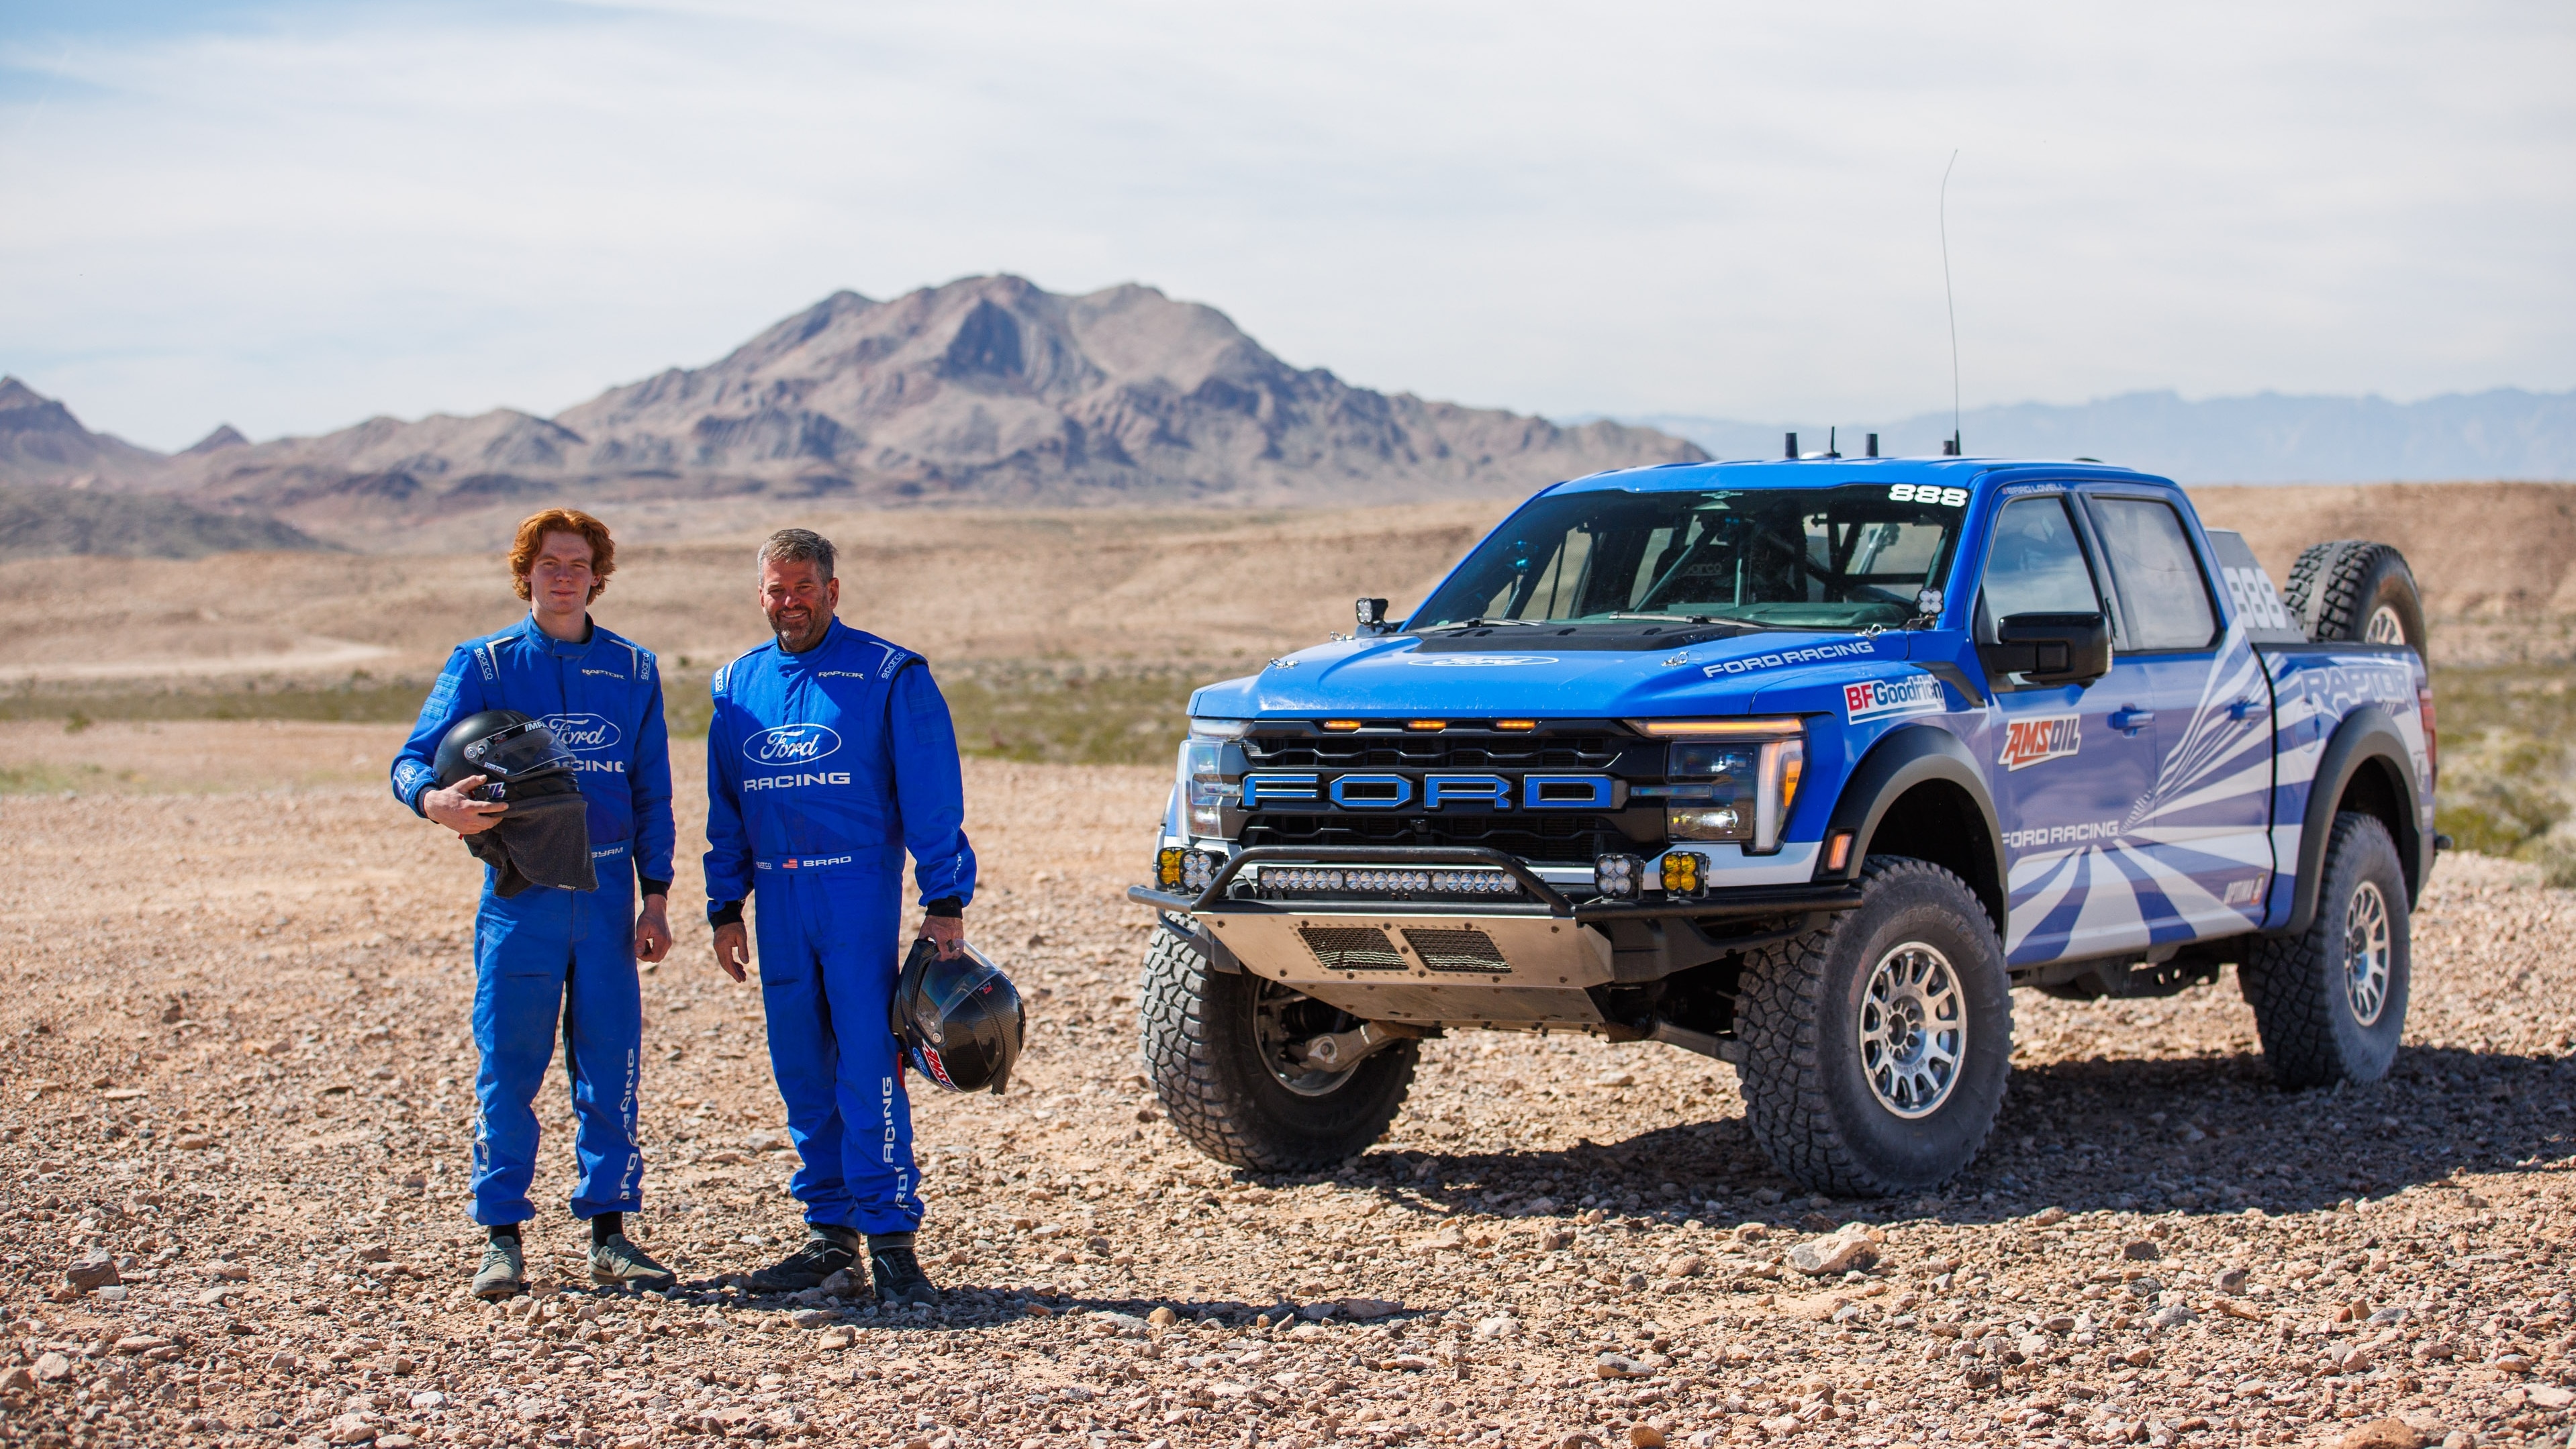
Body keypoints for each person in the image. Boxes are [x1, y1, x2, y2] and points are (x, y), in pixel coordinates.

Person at [391, 508, 678, 1298]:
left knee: (612, 1064)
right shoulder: (483, 662)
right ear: (527, 573)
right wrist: (432, 800)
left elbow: (652, 789)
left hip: (612, 891)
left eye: (577, 562)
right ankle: (501, 1238)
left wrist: (656, 899)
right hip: (523, 893)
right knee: (509, 1065)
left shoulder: (632, 668)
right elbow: (412, 758)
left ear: (597, 574)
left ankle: (611, 1233)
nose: (563, 575)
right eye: (548, 562)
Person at [704, 528, 975, 1307]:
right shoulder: (734, 684)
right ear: (761, 593)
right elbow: (727, 807)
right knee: (800, 1067)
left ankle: (891, 1239)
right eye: (775, 590)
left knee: (868, 1062)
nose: (788, 603)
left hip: (856, 892)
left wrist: (945, 898)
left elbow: (931, 794)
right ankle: (829, 1237)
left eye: (802, 588)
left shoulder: (890, 673)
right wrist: (725, 905)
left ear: (832, 589)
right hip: (776, 895)